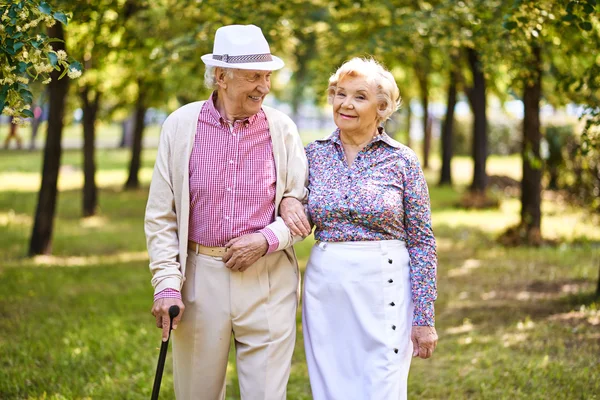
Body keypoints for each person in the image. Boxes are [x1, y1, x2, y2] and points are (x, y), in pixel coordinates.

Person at [145, 24, 308, 400]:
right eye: (253, 76)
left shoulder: (281, 129)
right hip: (201, 278)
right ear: (221, 76)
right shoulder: (181, 126)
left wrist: (267, 238)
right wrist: (167, 283)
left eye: (267, 76)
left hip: (268, 279)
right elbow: (161, 217)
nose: (264, 87)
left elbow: (303, 209)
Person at [281, 57, 438, 400]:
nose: (345, 104)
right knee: (331, 386)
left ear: (381, 108)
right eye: (339, 94)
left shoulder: (402, 160)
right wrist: (287, 202)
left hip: (385, 286)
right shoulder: (312, 156)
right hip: (327, 288)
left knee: (382, 384)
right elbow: (291, 207)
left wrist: (425, 317)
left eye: (359, 96)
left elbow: (423, 242)